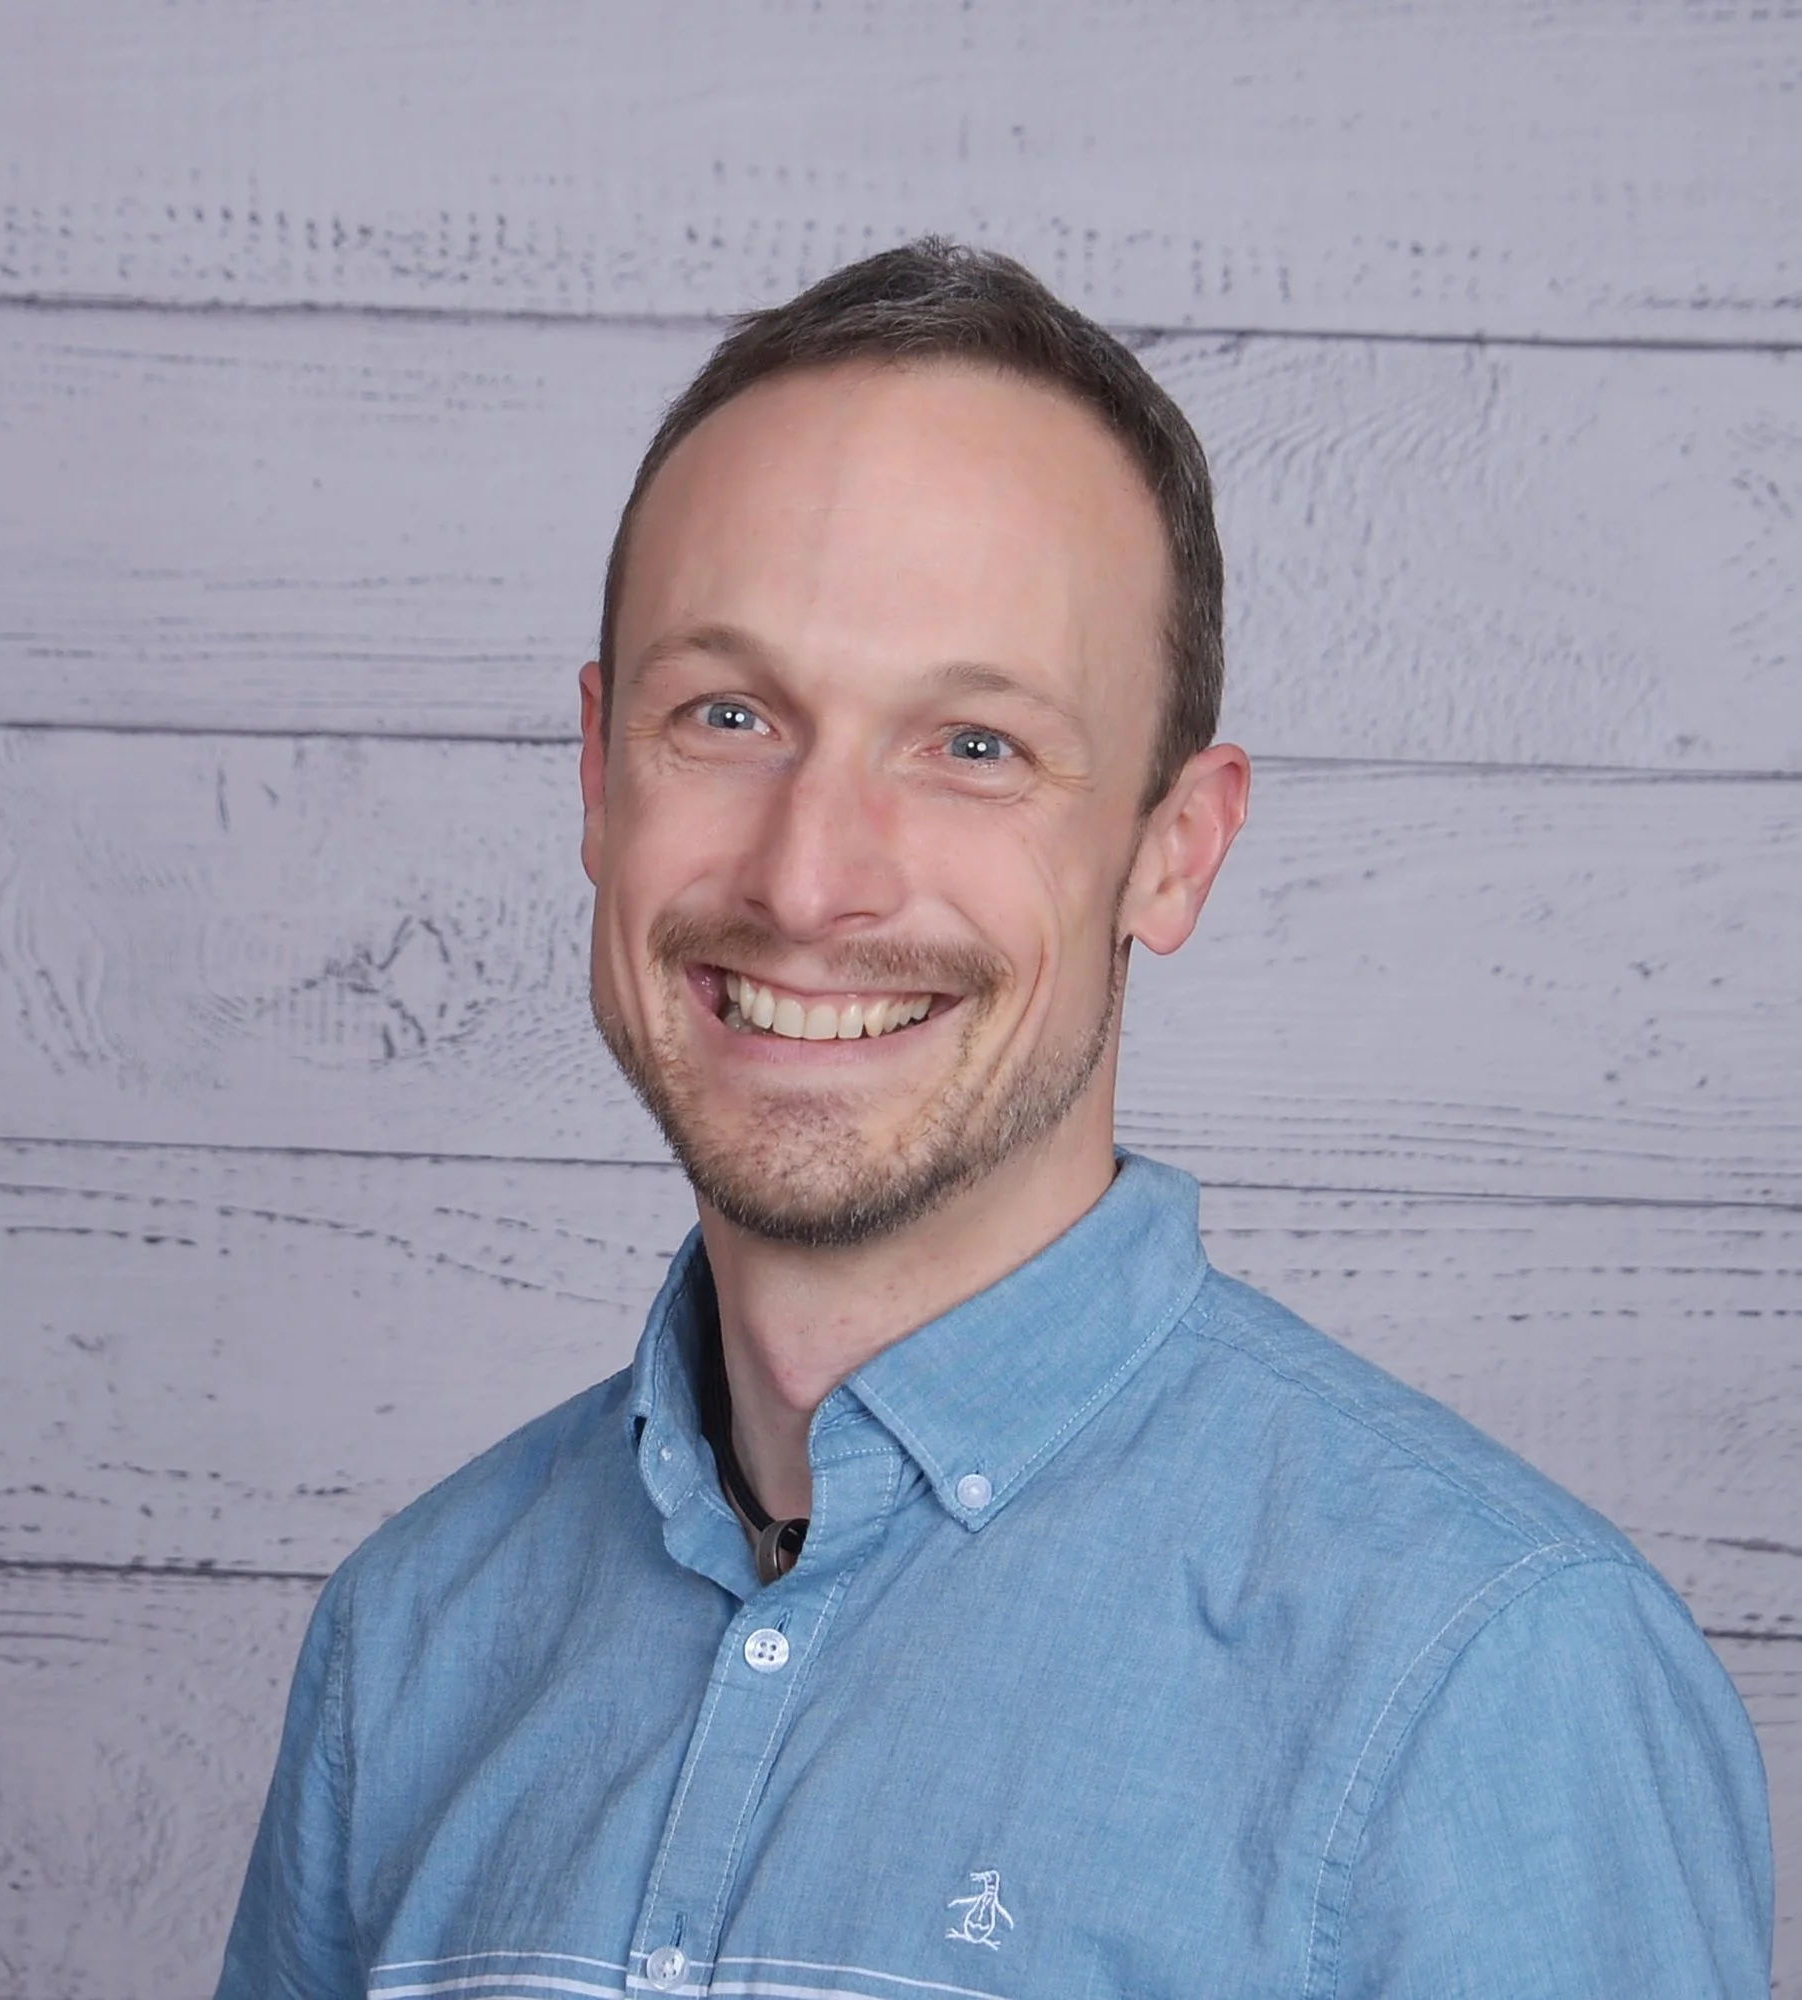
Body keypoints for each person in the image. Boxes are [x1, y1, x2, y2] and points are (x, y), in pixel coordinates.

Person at [215, 241, 1774, 1998]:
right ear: (597, 775)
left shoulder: (1482, 1680)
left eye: (973, 747)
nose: (811, 879)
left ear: (1177, 849)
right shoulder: (412, 1646)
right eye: (728, 716)